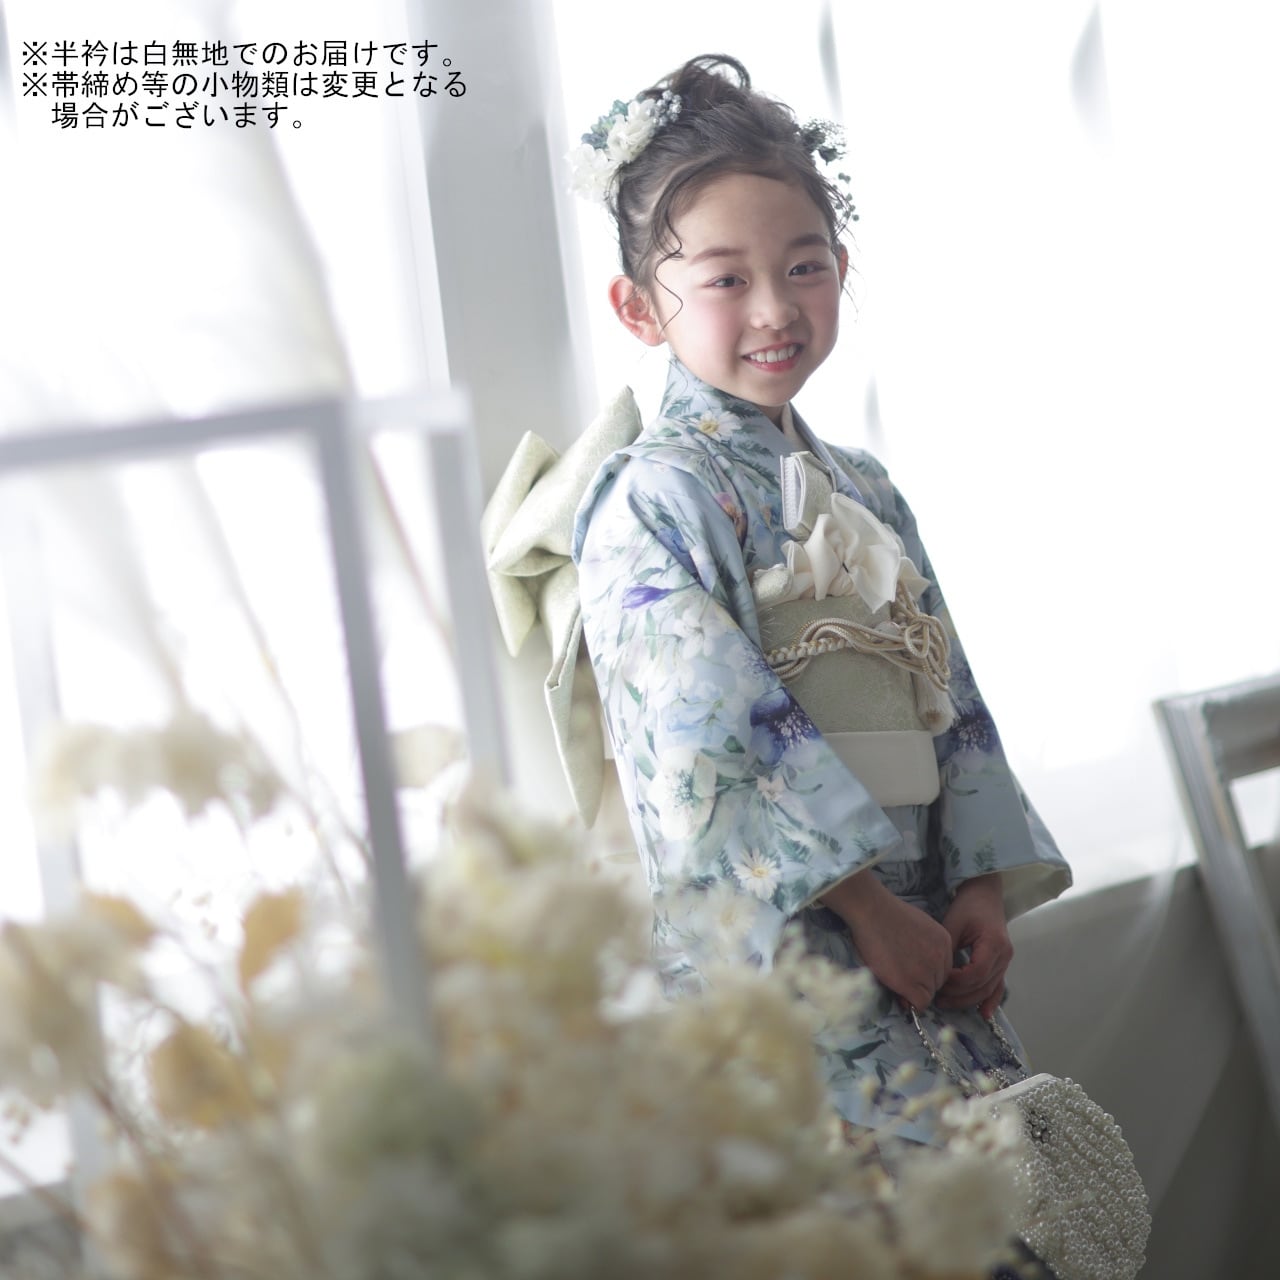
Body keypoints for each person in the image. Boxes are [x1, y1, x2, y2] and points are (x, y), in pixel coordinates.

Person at [565, 53, 1072, 1274]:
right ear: (639, 307)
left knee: (1002, 1207)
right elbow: (701, 734)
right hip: (796, 937)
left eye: (803, 266)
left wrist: (977, 882)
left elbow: (943, 686)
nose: (773, 309)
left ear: (841, 268)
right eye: (723, 278)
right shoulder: (653, 497)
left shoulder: (866, 485)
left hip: (922, 907)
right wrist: (863, 906)